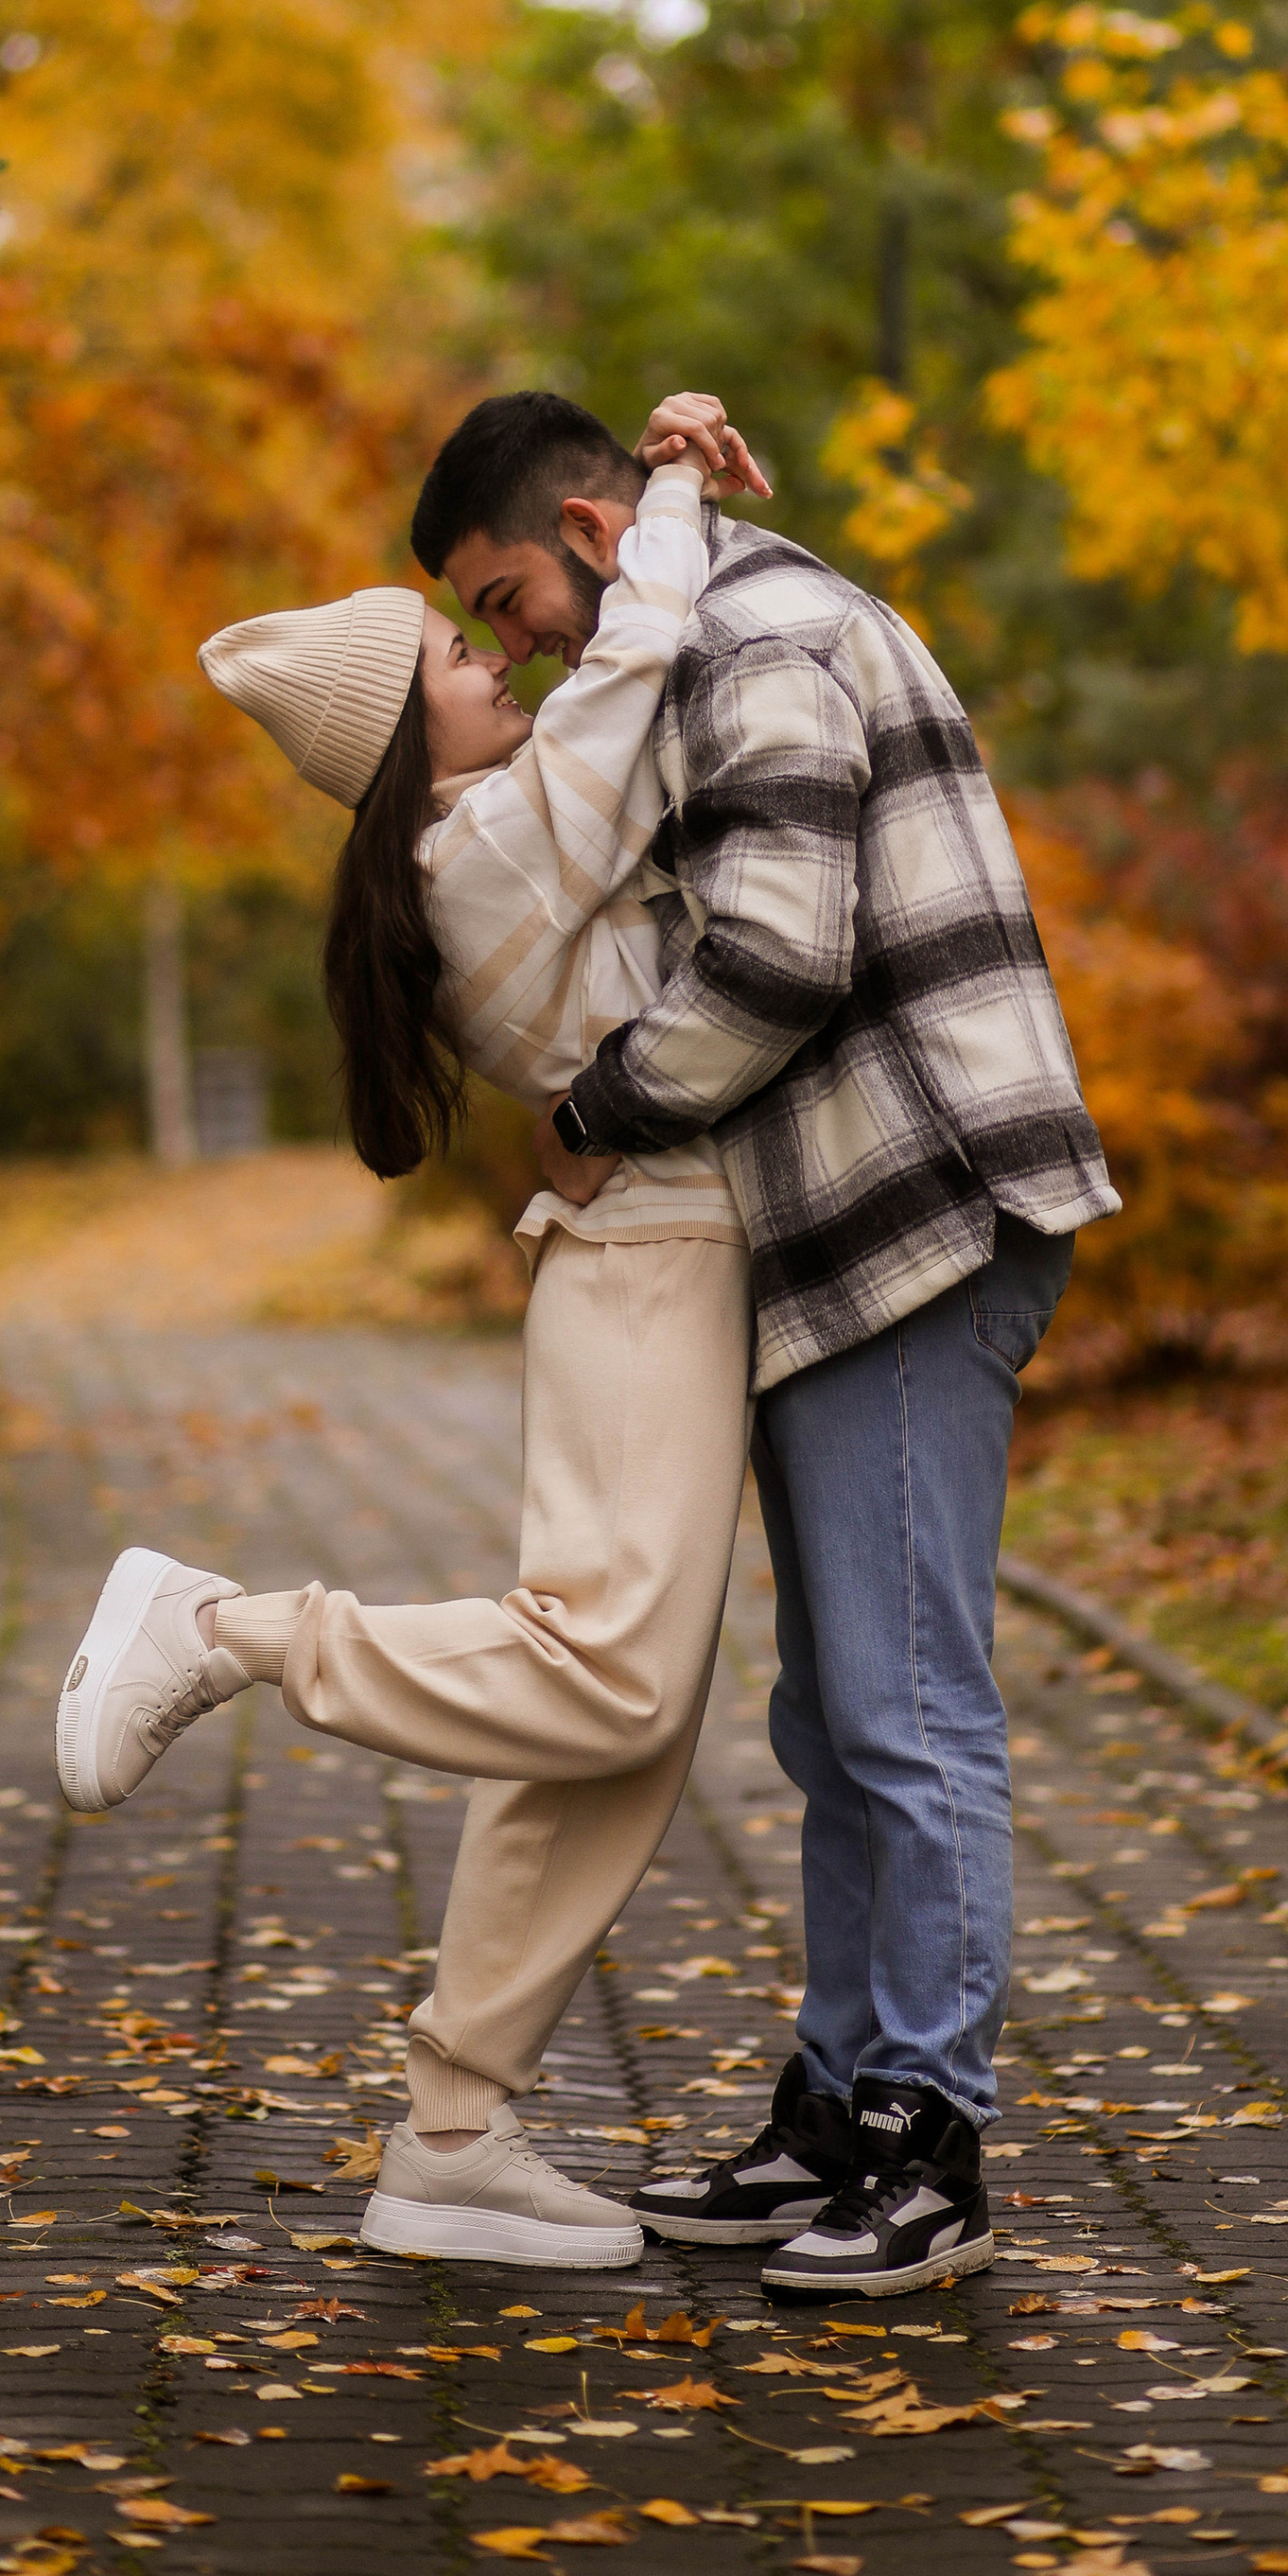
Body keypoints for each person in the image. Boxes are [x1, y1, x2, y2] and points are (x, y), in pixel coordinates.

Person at [409, 390, 1120, 2299]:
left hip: (918, 1211)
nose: (515, 643)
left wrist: (601, 1107)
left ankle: (931, 2142)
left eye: (507, 597)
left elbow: (782, 959)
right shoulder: (698, 632)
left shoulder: (759, 643)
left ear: (578, 522)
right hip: (836, 1238)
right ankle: (839, 2099)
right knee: (834, 1718)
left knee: (904, 1715)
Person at [52, 394, 771, 2272]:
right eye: (462, 654)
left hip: (647, 1272)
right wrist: (676, 479)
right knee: (607, 1682)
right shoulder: (503, 838)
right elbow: (647, 651)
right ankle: (222, 1631)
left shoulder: (471, 845)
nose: (495, 657)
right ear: (406, 744)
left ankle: (453, 2127)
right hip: (648, 1275)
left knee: (609, 1728)